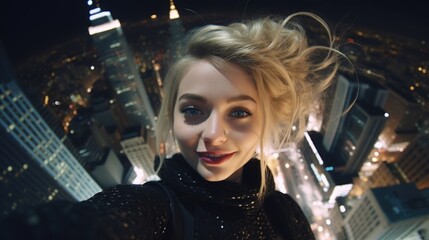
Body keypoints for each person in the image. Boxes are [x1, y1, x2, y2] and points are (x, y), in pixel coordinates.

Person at [0, 12, 344, 239]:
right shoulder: (154, 209)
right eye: (193, 110)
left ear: (266, 120)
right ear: (172, 116)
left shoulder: (284, 212)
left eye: (239, 113)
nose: (212, 135)